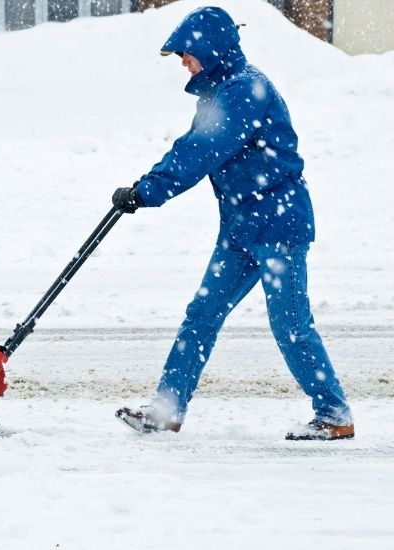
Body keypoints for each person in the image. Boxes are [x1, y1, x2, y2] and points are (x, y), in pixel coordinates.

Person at [111, 6, 353, 441]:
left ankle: (334, 414)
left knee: (291, 324)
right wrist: (145, 186)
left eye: (188, 53)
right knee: (201, 316)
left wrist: (149, 190)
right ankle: (167, 410)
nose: (184, 63)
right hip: (242, 230)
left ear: (211, 48)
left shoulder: (244, 91)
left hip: (278, 227)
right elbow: (192, 147)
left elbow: (201, 151)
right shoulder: (221, 91)